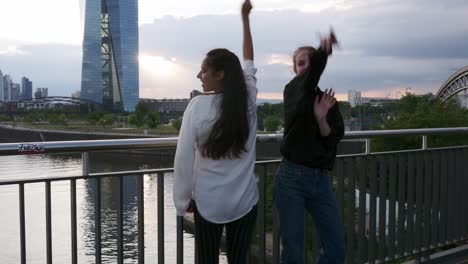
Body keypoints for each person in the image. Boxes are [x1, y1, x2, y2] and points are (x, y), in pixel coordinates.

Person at [173, 1, 258, 263]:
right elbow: (248, 60)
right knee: (238, 259)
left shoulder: (197, 107)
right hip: (244, 202)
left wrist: (182, 199)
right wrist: (245, 20)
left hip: (209, 204)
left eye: (204, 70)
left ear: (220, 74)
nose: (199, 75)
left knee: (206, 259)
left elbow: (184, 158)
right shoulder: (248, 99)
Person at [274, 31, 345, 264]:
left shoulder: (327, 101)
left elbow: (334, 138)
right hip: (291, 178)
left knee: (335, 247)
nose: (305, 68)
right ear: (295, 69)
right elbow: (311, 75)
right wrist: (323, 51)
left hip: (320, 180)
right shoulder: (292, 90)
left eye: (309, 63)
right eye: (301, 63)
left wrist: (321, 118)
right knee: (293, 250)